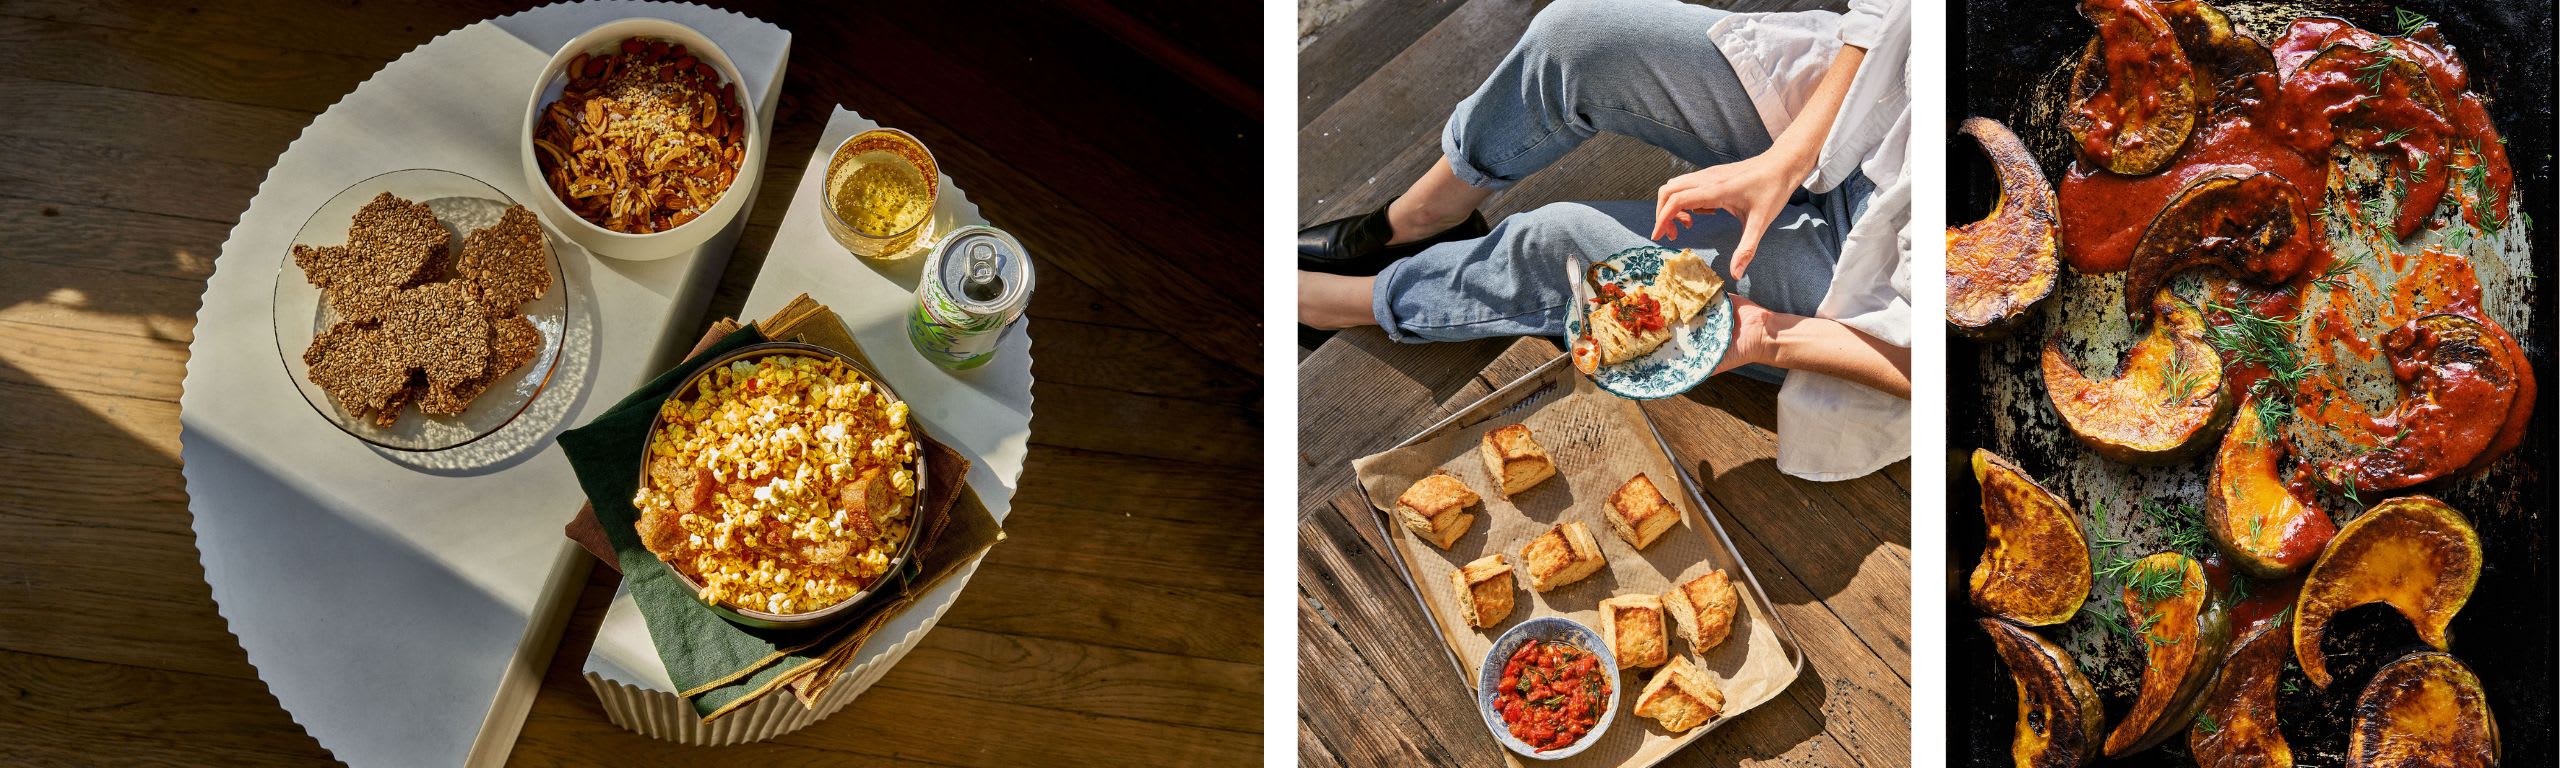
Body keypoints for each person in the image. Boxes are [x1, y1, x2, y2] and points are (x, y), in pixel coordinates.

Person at [1297, 0, 1911, 481]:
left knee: (1557, 241)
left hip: (1877, 303)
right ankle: (1423, 214)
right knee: (1578, 38)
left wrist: (1768, 338)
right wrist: (1787, 157)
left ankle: (1349, 303)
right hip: (1877, 116)